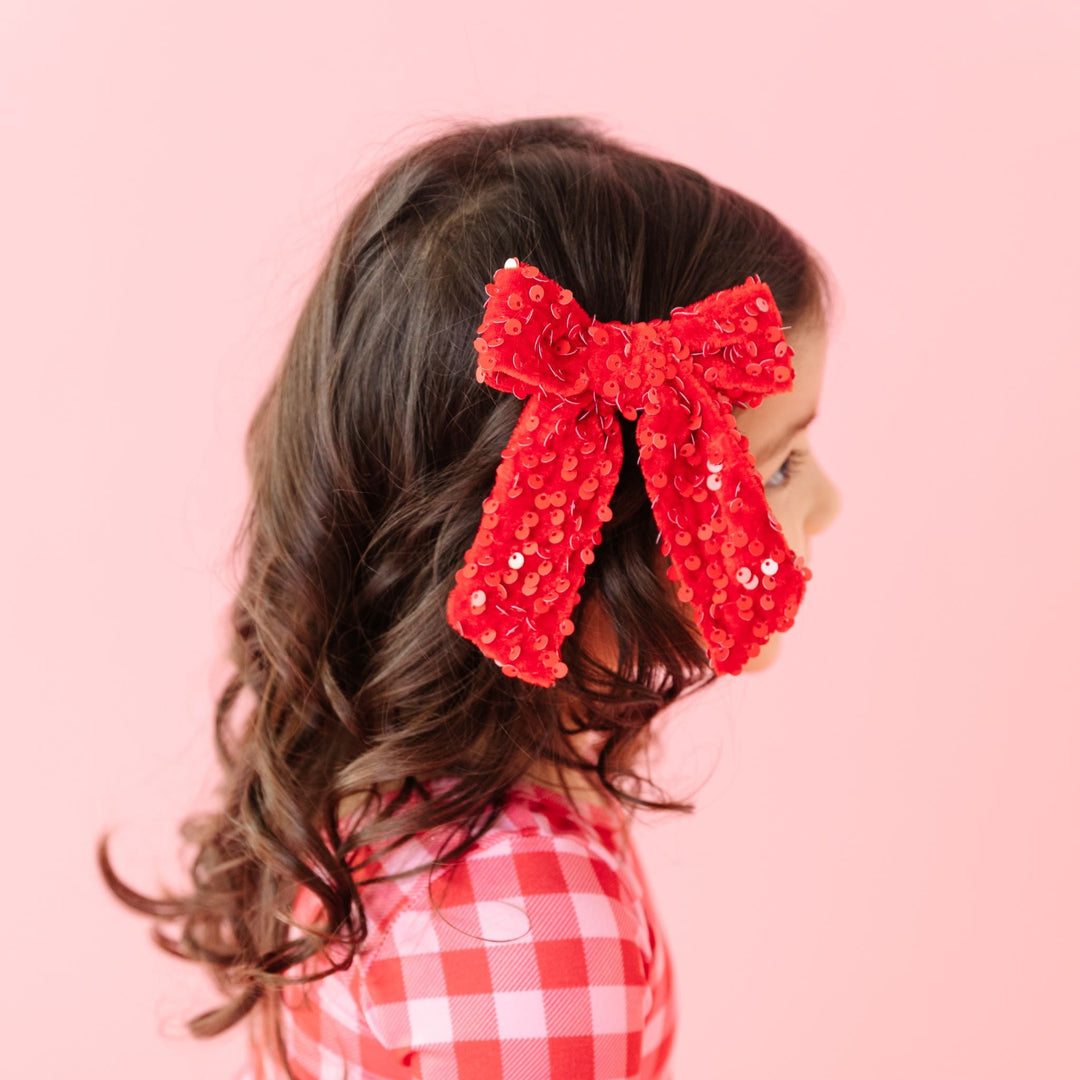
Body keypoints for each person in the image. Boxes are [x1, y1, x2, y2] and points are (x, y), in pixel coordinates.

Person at [97, 115, 841, 1080]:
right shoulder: (524, 927)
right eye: (777, 468)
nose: (828, 502)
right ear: (578, 523)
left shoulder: (412, 797)